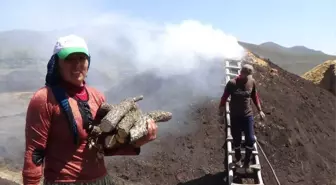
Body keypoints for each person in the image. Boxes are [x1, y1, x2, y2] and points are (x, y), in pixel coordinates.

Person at [22, 35, 158, 185]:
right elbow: (35, 153)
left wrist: (138, 142)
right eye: (69, 59)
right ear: (56, 63)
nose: (77, 65)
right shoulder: (45, 98)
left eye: (81, 58)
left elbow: (105, 146)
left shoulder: (96, 96)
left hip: (101, 180)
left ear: (88, 62)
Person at [218, 64, 265, 168]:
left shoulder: (252, 81)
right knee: (237, 139)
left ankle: (246, 163)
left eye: (250, 75)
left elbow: (254, 96)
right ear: (242, 73)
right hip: (235, 116)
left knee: (250, 139)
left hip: (247, 115)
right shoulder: (232, 83)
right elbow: (224, 98)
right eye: (247, 75)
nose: (248, 77)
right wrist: (221, 114)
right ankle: (238, 159)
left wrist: (260, 110)